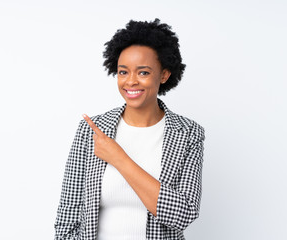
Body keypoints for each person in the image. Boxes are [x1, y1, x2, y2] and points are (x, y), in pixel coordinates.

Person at [54, 18, 205, 240]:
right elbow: (68, 215)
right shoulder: (93, 130)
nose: (130, 81)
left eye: (143, 72)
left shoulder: (189, 133)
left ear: (164, 74)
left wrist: (119, 158)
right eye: (123, 72)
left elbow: (184, 214)